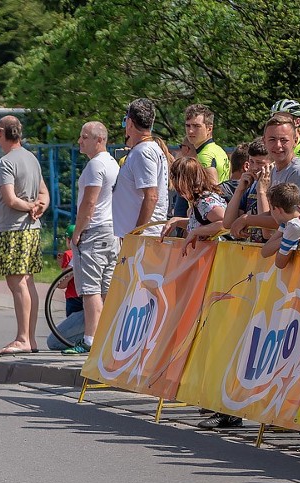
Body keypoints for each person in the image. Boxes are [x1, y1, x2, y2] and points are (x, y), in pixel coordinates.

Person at [0, 115, 50, 355]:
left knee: (16, 282)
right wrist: (39, 206)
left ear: (0, 133)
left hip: (13, 229)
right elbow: (44, 194)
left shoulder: (6, 162)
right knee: (28, 281)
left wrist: (29, 206)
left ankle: (23, 338)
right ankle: (31, 338)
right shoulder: (31, 158)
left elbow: (10, 198)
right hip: (32, 229)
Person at [64, 122, 119, 354]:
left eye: (84, 137)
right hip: (111, 230)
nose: (80, 141)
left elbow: (90, 202)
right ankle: (109, 338)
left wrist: (77, 232)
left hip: (94, 232)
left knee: (90, 289)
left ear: (99, 140)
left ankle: (89, 340)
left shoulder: (95, 166)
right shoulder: (112, 163)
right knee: (107, 288)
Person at [229, 116, 300, 240]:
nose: (278, 145)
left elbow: (292, 219)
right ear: (264, 141)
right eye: (272, 139)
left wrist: (248, 219)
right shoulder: (274, 170)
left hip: (299, 250)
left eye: (283, 140)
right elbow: (271, 224)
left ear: (295, 141)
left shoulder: (297, 170)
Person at [113, 98, 170, 238]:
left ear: (130, 122)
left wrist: (137, 232)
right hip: (142, 238)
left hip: (144, 239)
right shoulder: (145, 149)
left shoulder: (143, 152)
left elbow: (151, 196)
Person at [161, 157, 227, 254]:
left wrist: (196, 232)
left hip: (216, 257)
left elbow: (225, 223)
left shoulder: (205, 202)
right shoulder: (198, 201)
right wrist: (177, 221)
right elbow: (200, 223)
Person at [223, 138, 273, 243]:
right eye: (251, 161)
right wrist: (239, 190)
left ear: (272, 163)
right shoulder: (250, 185)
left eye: (260, 163)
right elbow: (228, 223)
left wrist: (261, 191)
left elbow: (267, 232)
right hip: (251, 250)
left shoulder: (276, 185)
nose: (254, 167)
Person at [260, 183, 300, 269]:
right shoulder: (288, 222)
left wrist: (284, 238)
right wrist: (284, 239)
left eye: (270, 208)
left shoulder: (294, 226)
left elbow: (279, 263)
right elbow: (265, 252)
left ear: (277, 210)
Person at [47, 225, 85, 351]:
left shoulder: (70, 255)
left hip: (73, 298)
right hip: (86, 297)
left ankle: (80, 343)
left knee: (69, 328)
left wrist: (65, 268)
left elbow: (61, 283)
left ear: (69, 240)